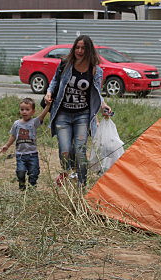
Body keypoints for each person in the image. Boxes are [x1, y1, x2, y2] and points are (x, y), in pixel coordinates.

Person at [44, 35, 112, 185]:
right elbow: (55, 81)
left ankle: (82, 183)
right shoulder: (65, 64)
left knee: (80, 150)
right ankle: (68, 171)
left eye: (83, 48)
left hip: (83, 115)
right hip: (63, 114)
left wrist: (103, 106)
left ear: (89, 51)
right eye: (77, 47)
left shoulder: (95, 70)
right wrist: (49, 92)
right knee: (65, 149)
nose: (80, 51)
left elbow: (96, 92)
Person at [0, 97, 50, 190]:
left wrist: (48, 105)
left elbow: (43, 115)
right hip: (20, 155)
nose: (24, 112)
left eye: (27, 109)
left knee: (34, 172)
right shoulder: (17, 124)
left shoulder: (34, 122)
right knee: (20, 171)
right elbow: (13, 136)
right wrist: (7, 145)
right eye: (22, 109)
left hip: (32, 154)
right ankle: (22, 186)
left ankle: (32, 188)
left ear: (33, 111)